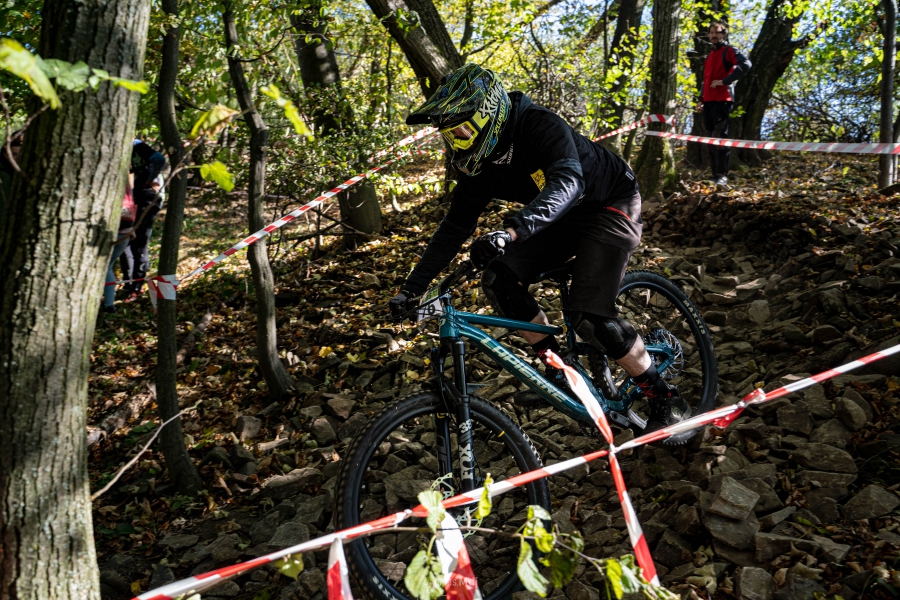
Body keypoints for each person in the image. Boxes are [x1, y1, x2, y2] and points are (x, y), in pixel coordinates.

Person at [388, 64, 690, 434]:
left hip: (609, 203)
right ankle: (561, 369)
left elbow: (569, 182)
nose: (458, 143)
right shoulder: (478, 166)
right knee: (499, 278)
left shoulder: (538, 124)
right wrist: (412, 289)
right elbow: (454, 227)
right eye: (450, 136)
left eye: (462, 131)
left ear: (487, 114)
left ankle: (665, 397)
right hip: (559, 218)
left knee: (590, 317)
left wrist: (511, 232)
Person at [696, 21, 751, 186]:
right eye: (711, 32)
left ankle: (722, 175)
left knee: (719, 137)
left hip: (723, 100)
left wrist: (725, 81)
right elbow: (705, 81)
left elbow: (746, 64)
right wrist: (700, 100)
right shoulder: (709, 56)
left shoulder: (729, 51)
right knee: (710, 140)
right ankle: (714, 176)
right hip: (708, 101)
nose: (714, 35)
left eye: (717, 32)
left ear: (724, 34)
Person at [120, 139, 166, 299]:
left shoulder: (136, 145)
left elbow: (159, 159)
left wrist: (149, 180)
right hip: (131, 198)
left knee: (139, 241)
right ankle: (128, 283)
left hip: (147, 197)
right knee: (124, 238)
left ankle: (136, 287)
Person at [104, 174, 137, 314]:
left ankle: (108, 305)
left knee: (105, 267)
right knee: (107, 267)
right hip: (126, 231)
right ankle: (109, 304)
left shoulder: (108, 179)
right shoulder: (126, 182)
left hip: (109, 232)